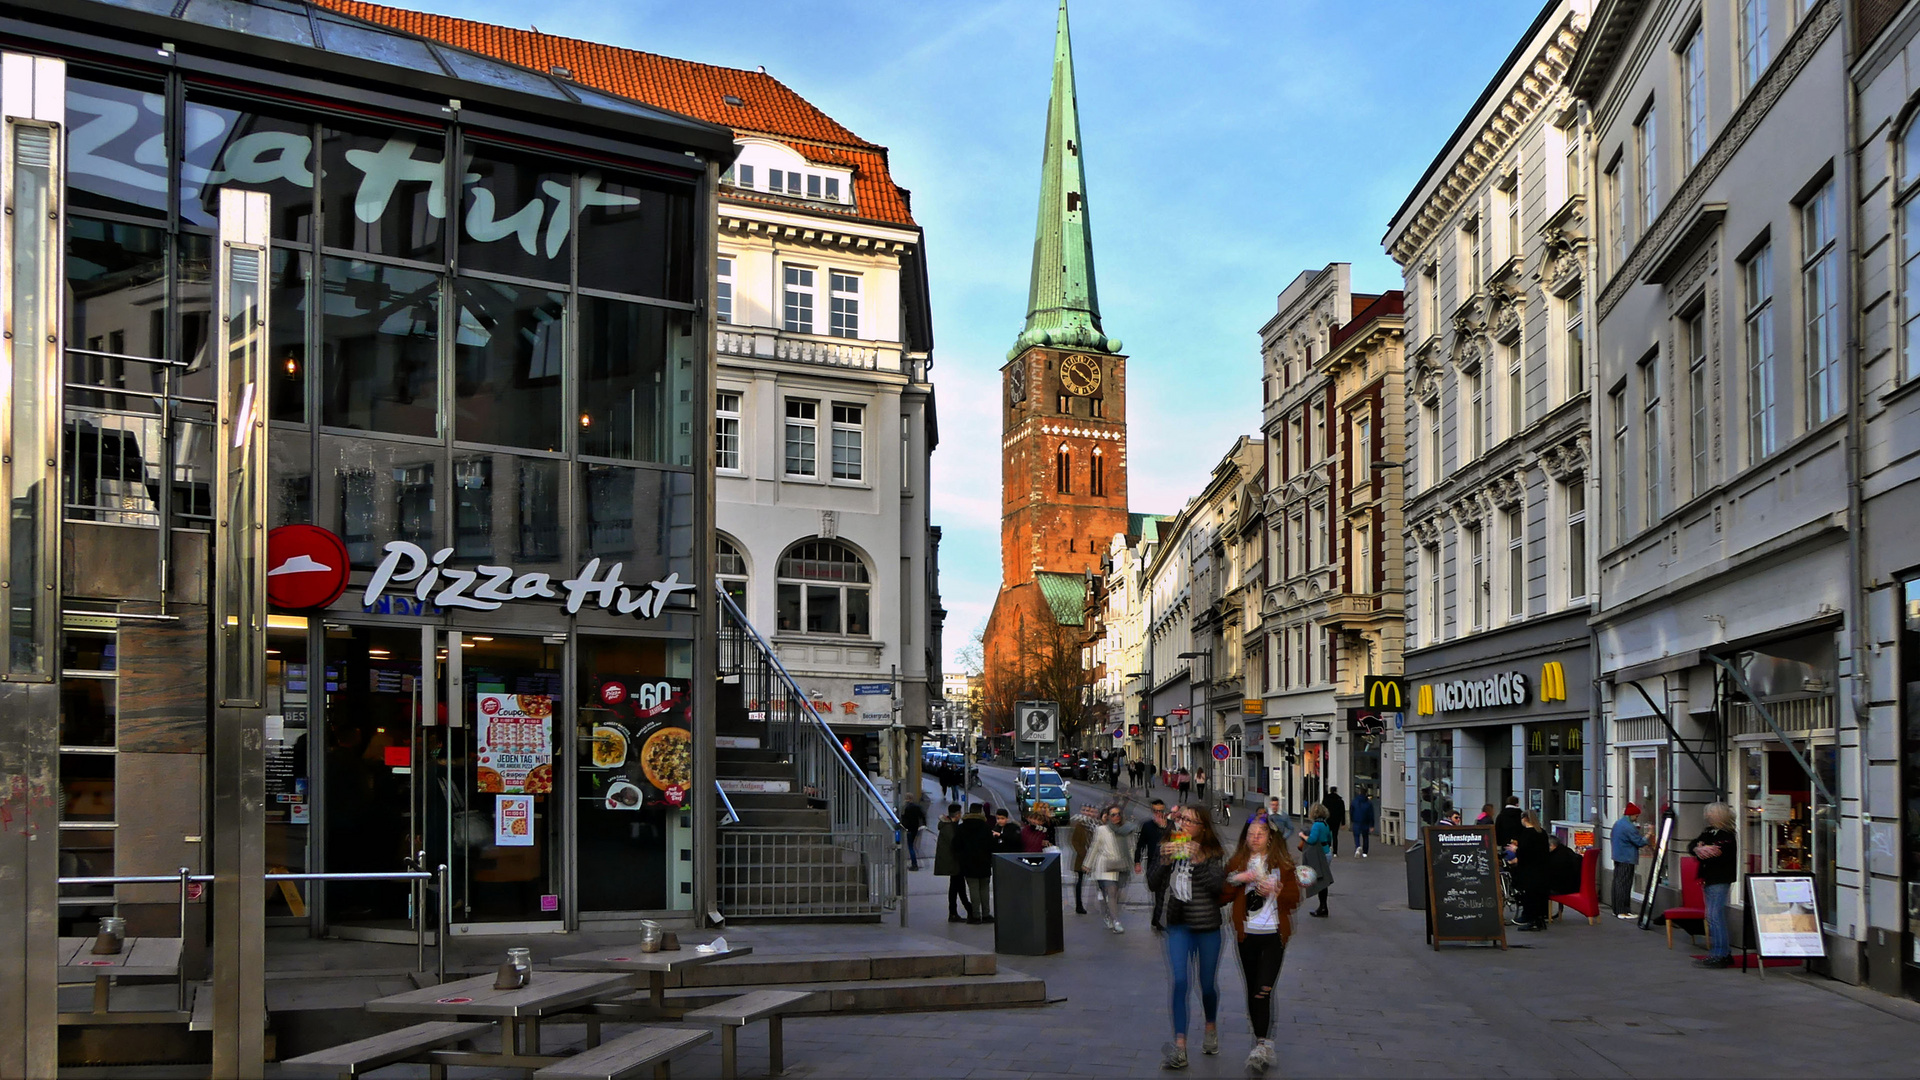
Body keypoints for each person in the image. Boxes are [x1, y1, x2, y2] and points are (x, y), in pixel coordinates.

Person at [1223, 816, 1301, 1074]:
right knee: (1252, 987)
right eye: (1251, 833)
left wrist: (1278, 891)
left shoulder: (1284, 865)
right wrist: (1238, 878)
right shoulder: (1237, 862)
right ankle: (1261, 1042)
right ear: (1245, 837)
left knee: (1263, 989)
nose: (1255, 837)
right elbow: (1221, 894)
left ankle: (1262, 1044)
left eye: (1261, 832)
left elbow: (1295, 898)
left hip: (1273, 937)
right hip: (1247, 937)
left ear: (1270, 837)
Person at [1153, 804, 1228, 1070]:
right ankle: (1180, 1046)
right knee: (1181, 981)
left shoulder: (1214, 852)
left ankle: (1210, 1026)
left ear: (1202, 828)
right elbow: (1153, 884)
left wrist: (1199, 861)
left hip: (1207, 927)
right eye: (1181, 818)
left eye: (1190, 821)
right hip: (1178, 924)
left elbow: (1218, 888)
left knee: (1206, 985)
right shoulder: (1169, 845)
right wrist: (1163, 862)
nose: (1183, 823)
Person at [1692, 802, 1739, 968]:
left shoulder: (1726, 835)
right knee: (1712, 916)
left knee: (1715, 916)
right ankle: (1720, 952)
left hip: (1719, 879)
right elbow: (1693, 845)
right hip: (1710, 878)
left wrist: (1703, 849)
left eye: (1710, 813)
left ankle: (1721, 953)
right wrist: (1698, 849)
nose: (1707, 816)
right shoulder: (1708, 832)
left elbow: (1717, 852)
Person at [1088, 804, 1131, 933]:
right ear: (1108, 817)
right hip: (1106, 865)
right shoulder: (1101, 830)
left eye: (1118, 814)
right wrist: (1088, 864)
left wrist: (1135, 861)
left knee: (1117, 894)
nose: (1116, 817)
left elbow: (1131, 847)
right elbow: (1094, 847)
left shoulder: (1125, 829)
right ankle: (1116, 921)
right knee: (1111, 892)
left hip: (1122, 865)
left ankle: (1108, 913)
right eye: (1113, 814)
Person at [954, 803, 995, 924]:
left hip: (968, 862)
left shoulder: (962, 827)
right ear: (980, 812)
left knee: (973, 889)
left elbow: (956, 845)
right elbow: (991, 845)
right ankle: (986, 914)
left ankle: (976, 915)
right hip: (984, 862)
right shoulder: (986, 827)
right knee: (984, 888)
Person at [1510, 811, 1551, 931]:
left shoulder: (1527, 833)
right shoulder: (1541, 832)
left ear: (1525, 819)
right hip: (1542, 868)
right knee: (1539, 895)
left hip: (1529, 869)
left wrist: (1515, 849)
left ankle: (1532, 920)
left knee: (1530, 895)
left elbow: (1525, 852)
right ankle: (1539, 920)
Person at [1134, 799, 1171, 932]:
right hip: (1153, 864)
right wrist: (1137, 862)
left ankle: (1159, 920)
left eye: (1161, 811)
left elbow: (1178, 841)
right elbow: (1140, 845)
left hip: (1168, 865)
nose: (1158, 814)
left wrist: (1164, 827)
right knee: (1157, 892)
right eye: (1156, 811)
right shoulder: (1147, 826)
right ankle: (1157, 919)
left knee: (1163, 892)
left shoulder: (1170, 825)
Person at [1609, 802, 1649, 919]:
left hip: (1618, 856)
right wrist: (1648, 834)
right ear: (1631, 815)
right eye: (1636, 816)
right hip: (1627, 858)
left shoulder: (1618, 824)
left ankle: (1616, 909)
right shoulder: (1629, 827)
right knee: (1624, 884)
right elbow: (1639, 842)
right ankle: (1623, 911)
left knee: (1617, 883)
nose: (1636, 818)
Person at [935, 802, 971, 922]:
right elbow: (955, 844)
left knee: (956, 887)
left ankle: (957, 911)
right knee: (958, 887)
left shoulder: (947, 825)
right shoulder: (950, 827)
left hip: (952, 861)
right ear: (957, 814)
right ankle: (964, 911)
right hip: (954, 862)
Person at [1300, 804, 1334, 918]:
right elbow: (1330, 838)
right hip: (1327, 851)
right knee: (1323, 880)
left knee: (1321, 881)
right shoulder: (1325, 824)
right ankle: (1323, 906)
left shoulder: (1316, 825)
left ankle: (1323, 907)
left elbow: (1312, 840)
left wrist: (1303, 836)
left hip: (1320, 854)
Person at [1070, 807, 1096, 915]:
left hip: (1095, 857)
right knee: (1080, 881)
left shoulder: (1097, 825)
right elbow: (1074, 841)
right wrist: (1084, 854)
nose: (1090, 814)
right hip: (1082, 858)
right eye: (1088, 811)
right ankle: (1079, 905)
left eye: (1092, 812)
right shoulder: (1080, 825)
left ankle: (1101, 903)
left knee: (1101, 881)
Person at [900, 794, 927, 871]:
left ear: (907, 799)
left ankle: (914, 864)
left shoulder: (906, 808)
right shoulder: (917, 807)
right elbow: (922, 816)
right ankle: (915, 862)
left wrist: (903, 827)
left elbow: (903, 819)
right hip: (916, 828)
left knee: (910, 847)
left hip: (909, 829)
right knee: (913, 845)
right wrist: (924, 824)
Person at [1347, 787, 1375, 857]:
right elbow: (1371, 814)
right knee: (1365, 836)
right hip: (1366, 821)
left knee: (1356, 835)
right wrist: (1372, 825)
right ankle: (1365, 852)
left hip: (1356, 821)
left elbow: (1351, 811)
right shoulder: (1368, 803)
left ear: (1359, 793)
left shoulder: (1354, 801)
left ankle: (1358, 846)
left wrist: (1352, 819)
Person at [1322, 786, 1346, 857]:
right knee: (1335, 835)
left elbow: (1322, 810)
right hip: (1336, 820)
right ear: (1336, 791)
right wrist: (1343, 822)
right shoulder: (1340, 800)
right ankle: (1335, 852)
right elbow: (1342, 812)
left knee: (1328, 834)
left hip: (1328, 819)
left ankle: (1328, 847)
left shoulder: (1326, 799)